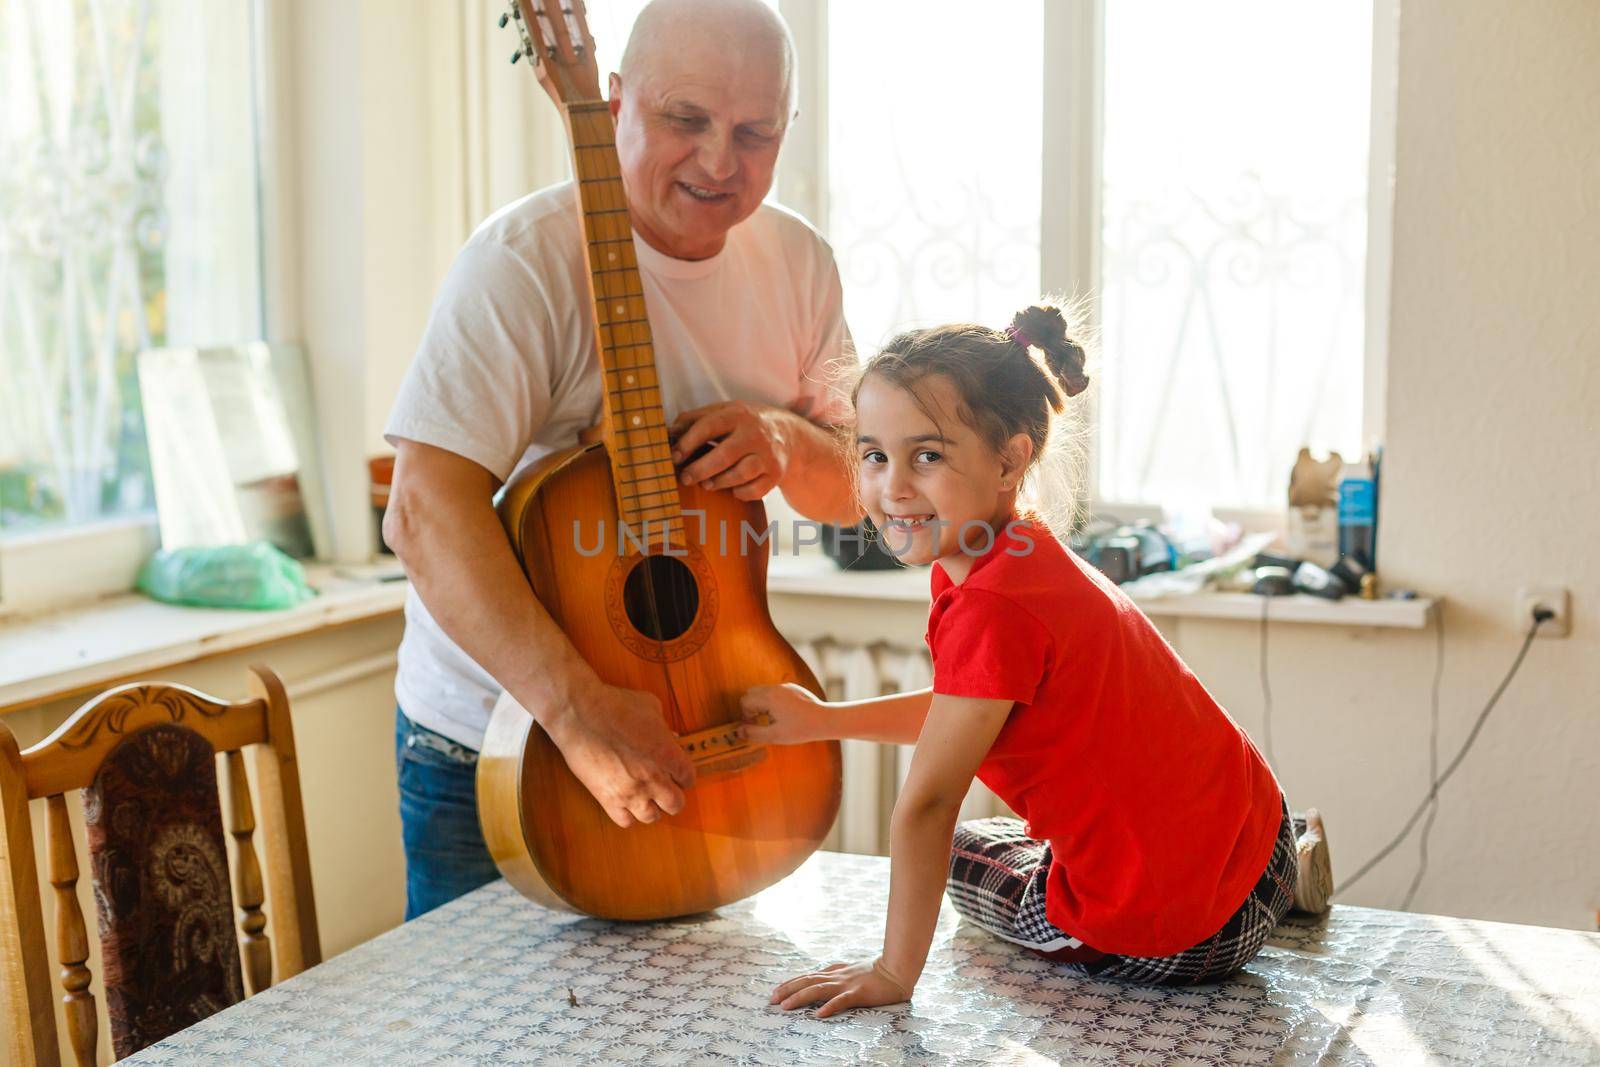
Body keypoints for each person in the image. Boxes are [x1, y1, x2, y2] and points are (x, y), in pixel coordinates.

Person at [381, 0, 858, 919]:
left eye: (755, 132)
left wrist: (788, 441)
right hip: (500, 739)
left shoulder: (800, 264)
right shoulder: (519, 265)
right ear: (612, 105)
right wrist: (573, 709)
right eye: (687, 120)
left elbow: (859, 493)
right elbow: (423, 510)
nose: (721, 161)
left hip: (699, 731)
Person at [743, 303, 1332, 1016]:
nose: (892, 486)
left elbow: (926, 804)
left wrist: (894, 970)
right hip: (1260, 839)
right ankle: (1293, 872)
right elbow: (966, 706)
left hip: (1183, 933)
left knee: (962, 856)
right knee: (1014, 837)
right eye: (873, 454)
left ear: (1009, 459)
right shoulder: (1023, 551)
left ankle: (1209, 907)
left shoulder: (993, 602)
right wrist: (822, 720)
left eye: (926, 456)